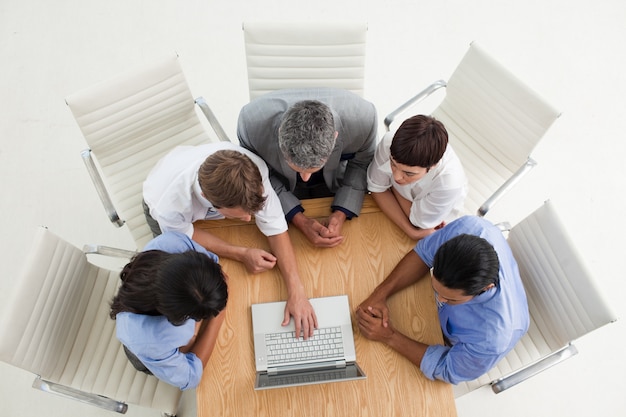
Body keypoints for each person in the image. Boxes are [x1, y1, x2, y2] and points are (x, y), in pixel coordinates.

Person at [143, 141, 317, 339]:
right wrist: (240, 253)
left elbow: (275, 226)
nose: (248, 219)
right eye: (241, 215)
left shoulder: (252, 169)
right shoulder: (169, 205)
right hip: (166, 210)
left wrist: (297, 291)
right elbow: (187, 235)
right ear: (207, 199)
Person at [356, 215, 529, 384]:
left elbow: (446, 369)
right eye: (436, 288)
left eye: (450, 299)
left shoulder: (492, 339)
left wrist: (389, 336)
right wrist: (380, 294)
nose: (439, 299)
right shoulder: (470, 228)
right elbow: (424, 254)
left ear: (485, 289)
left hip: (462, 344)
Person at [237, 87, 378, 248]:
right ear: (280, 133)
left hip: (336, 181)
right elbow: (257, 175)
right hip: (279, 181)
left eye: (311, 169)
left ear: (335, 137)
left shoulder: (364, 119)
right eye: (298, 168)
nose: (305, 177)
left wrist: (342, 212)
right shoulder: (250, 125)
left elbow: (361, 163)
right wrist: (299, 219)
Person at [110, 231, 228, 390]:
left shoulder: (171, 243)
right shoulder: (149, 342)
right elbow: (191, 377)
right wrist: (217, 320)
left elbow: (214, 264)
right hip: (150, 353)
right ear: (179, 317)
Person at [367, 114, 467, 241]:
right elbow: (376, 188)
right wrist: (411, 232)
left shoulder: (449, 183)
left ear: (433, 166)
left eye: (408, 173)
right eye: (392, 163)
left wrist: (390, 189)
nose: (396, 177)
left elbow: (419, 223)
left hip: (439, 223)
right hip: (406, 217)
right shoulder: (389, 142)